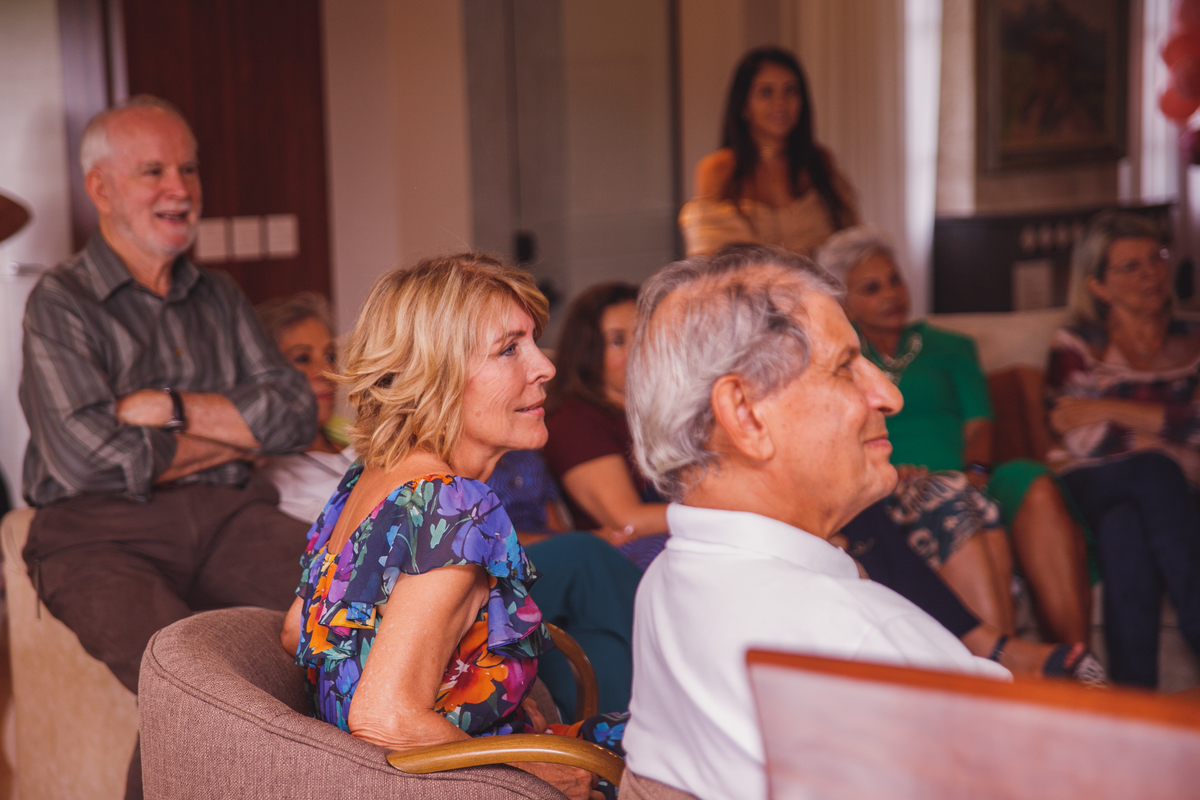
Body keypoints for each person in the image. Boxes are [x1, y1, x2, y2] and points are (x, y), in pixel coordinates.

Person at [621, 245, 1010, 800]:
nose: (889, 395)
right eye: (847, 367)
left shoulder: (666, 581)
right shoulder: (858, 641)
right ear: (747, 416)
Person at [19, 96, 316, 799]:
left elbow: (295, 413)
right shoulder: (60, 303)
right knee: (189, 681)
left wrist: (170, 411)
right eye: (153, 171)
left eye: (188, 168)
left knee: (352, 616)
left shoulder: (219, 297)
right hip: (96, 535)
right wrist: (229, 436)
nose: (179, 189)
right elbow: (86, 458)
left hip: (230, 519)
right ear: (102, 189)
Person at [281, 255, 626, 800]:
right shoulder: (454, 507)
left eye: (533, 341)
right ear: (434, 373)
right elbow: (383, 716)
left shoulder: (368, 476)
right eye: (509, 349)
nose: (545, 367)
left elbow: (296, 626)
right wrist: (530, 775)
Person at [818, 227, 1094, 648]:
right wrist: (885, 472)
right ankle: (1004, 668)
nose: (892, 294)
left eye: (896, 280)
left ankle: (1077, 658)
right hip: (894, 484)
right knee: (947, 494)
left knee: (1033, 482)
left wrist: (977, 471)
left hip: (971, 474)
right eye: (872, 288)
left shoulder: (951, 346)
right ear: (844, 302)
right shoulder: (841, 360)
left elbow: (979, 423)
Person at [1046, 210, 1200, 687]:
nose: (1151, 273)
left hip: (1158, 492)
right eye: (1130, 266)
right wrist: (1173, 432)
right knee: (1154, 470)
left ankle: (1135, 705)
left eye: (1156, 258)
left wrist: (1109, 408)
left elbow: (1098, 424)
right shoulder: (1075, 343)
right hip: (1090, 481)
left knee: (1125, 528)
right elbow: (1082, 438)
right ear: (1098, 286)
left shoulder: (1194, 336)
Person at [679, 46, 858, 258]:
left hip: (821, 289)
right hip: (746, 290)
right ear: (744, 105)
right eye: (766, 92)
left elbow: (852, 247)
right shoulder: (718, 169)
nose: (780, 103)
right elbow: (706, 260)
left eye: (790, 90)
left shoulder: (819, 161)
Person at [543, 283, 669, 569]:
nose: (636, 350)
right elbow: (627, 519)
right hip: (629, 560)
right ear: (587, 352)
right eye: (617, 341)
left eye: (643, 335)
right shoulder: (574, 421)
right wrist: (719, 512)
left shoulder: (658, 407)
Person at [255, 292, 356, 523]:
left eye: (330, 356)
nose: (326, 372)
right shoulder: (273, 481)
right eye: (302, 358)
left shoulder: (362, 441)